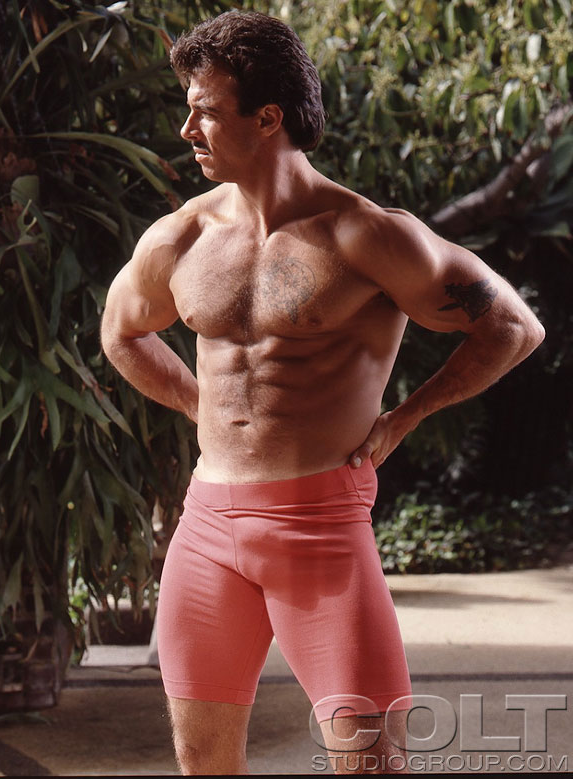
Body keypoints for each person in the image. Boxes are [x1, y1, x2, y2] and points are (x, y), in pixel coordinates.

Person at [100, 10, 545, 775]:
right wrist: (197, 405)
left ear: (268, 118)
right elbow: (121, 331)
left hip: (322, 530)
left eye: (205, 110)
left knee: (371, 765)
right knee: (203, 763)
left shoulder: (365, 235)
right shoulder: (183, 236)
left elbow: (512, 325)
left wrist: (406, 417)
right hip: (206, 529)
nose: (186, 130)